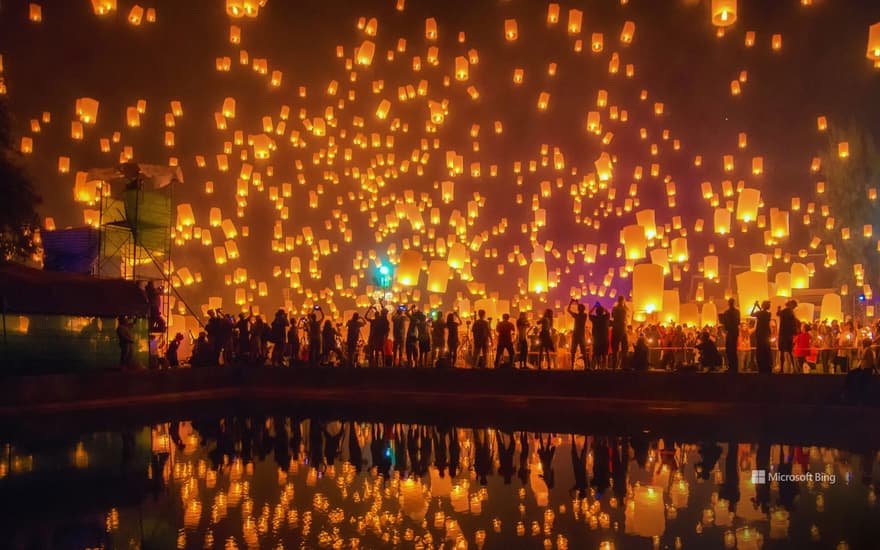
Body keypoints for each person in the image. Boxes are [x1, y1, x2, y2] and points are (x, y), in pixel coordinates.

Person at [719, 298, 740, 373]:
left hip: (731, 332)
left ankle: (733, 367)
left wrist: (725, 321)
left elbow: (726, 322)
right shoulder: (736, 312)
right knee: (732, 350)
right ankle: (734, 367)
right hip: (734, 332)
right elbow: (738, 322)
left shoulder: (728, 312)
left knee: (730, 350)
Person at [777, 300, 799, 373]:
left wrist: (779, 309)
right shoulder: (790, 312)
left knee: (782, 352)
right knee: (790, 352)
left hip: (782, 334)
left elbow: (778, 313)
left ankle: (782, 368)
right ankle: (794, 368)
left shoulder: (784, 312)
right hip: (788, 335)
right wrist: (795, 332)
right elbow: (793, 324)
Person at [751, 301, 772, 374]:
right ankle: (768, 367)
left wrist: (755, 306)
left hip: (760, 334)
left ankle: (761, 367)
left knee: (760, 351)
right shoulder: (769, 314)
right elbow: (763, 313)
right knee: (766, 351)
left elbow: (752, 314)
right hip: (766, 334)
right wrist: (759, 307)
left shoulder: (760, 313)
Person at [567, 300, 589, 370]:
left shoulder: (576, 316)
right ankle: (586, 366)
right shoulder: (584, 315)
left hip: (576, 335)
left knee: (573, 351)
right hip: (581, 336)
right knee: (583, 351)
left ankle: (572, 367)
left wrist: (571, 302)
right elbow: (581, 310)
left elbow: (568, 310)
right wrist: (577, 303)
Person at [589, 303, 610, 370]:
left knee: (597, 354)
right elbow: (608, 312)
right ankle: (605, 367)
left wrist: (594, 306)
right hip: (604, 339)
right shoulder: (605, 317)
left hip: (596, 339)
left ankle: (598, 366)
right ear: (602, 312)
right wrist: (602, 306)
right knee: (604, 354)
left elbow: (589, 313)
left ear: (596, 312)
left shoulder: (594, 318)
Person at [610, 297, 628, 369]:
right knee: (624, 349)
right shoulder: (624, 309)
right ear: (623, 301)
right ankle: (623, 365)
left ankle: (614, 367)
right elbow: (624, 318)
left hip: (615, 329)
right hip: (622, 329)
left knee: (615, 349)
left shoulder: (615, 308)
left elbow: (612, 316)